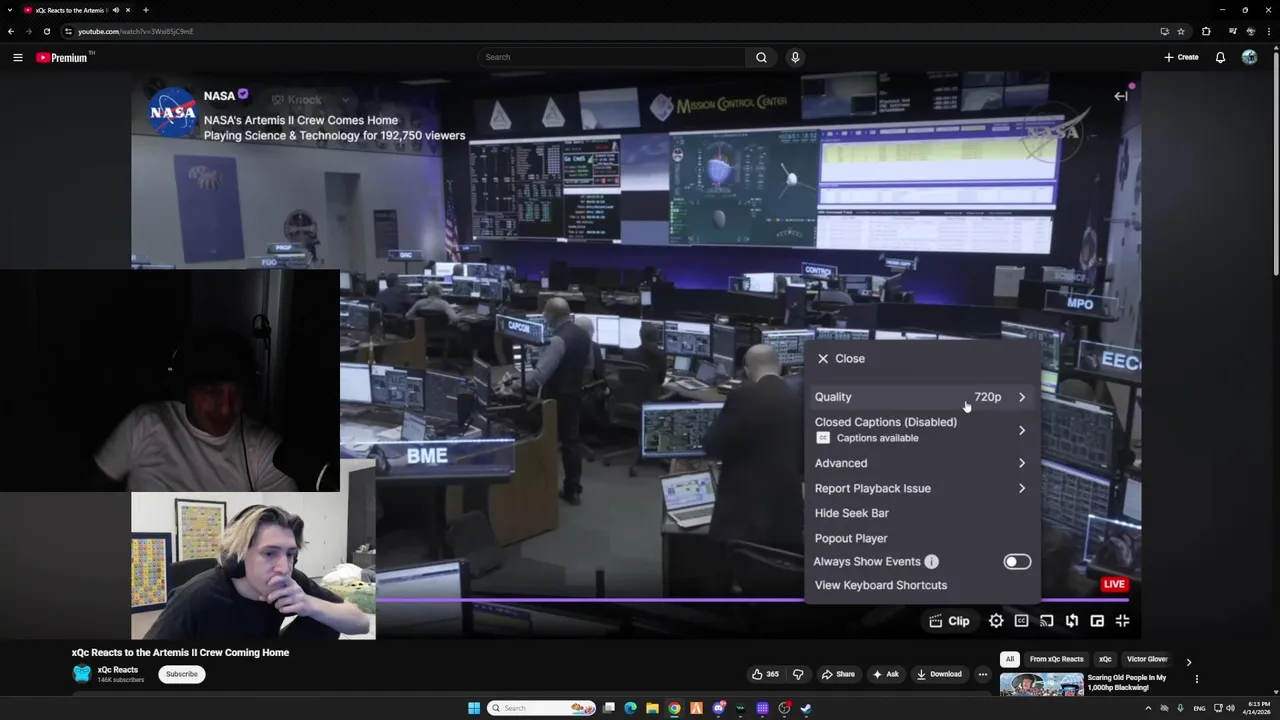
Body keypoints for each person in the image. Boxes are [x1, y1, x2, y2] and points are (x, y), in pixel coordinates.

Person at [92, 328, 298, 492]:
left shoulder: (266, 451)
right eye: (212, 391)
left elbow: (289, 524)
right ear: (184, 390)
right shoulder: (144, 423)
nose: (226, 408)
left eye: (237, 392)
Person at [144, 505, 370, 640]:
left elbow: (361, 623)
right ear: (238, 556)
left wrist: (309, 604)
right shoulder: (195, 597)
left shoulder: (292, 582)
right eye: (270, 553)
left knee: (326, 618)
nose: (284, 568)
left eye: (290, 554)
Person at [703, 344, 804, 551]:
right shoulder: (799, 400)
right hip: (787, 521)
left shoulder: (742, 396)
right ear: (780, 367)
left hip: (744, 522)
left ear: (746, 371)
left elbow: (712, 446)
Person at [499, 298, 592, 505]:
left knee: (540, 439)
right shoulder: (583, 334)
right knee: (571, 442)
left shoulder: (557, 341)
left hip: (554, 400)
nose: (543, 316)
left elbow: (539, 377)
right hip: (574, 396)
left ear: (552, 315)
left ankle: (539, 488)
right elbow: (589, 367)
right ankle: (573, 490)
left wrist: (512, 385)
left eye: (544, 313)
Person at [574, 315, 605, 384]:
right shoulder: (594, 347)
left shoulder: (566, 344)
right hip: (586, 386)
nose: (593, 331)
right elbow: (598, 374)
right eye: (592, 329)